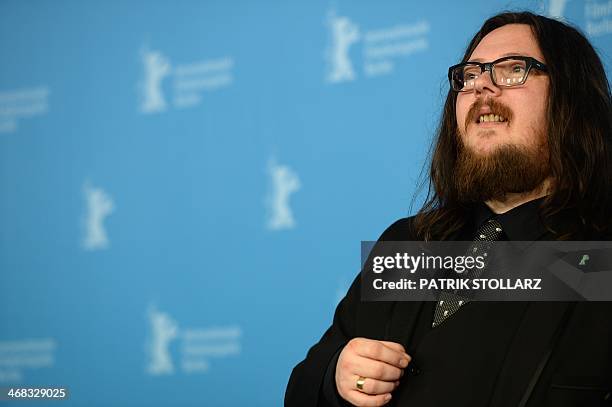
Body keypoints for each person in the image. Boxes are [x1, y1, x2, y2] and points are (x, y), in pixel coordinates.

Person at [285, 11, 612, 407]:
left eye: (513, 70)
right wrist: (336, 376)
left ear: (573, 99)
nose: (482, 87)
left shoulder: (601, 261)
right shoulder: (407, 243)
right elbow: (303, 387)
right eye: (469, 75)